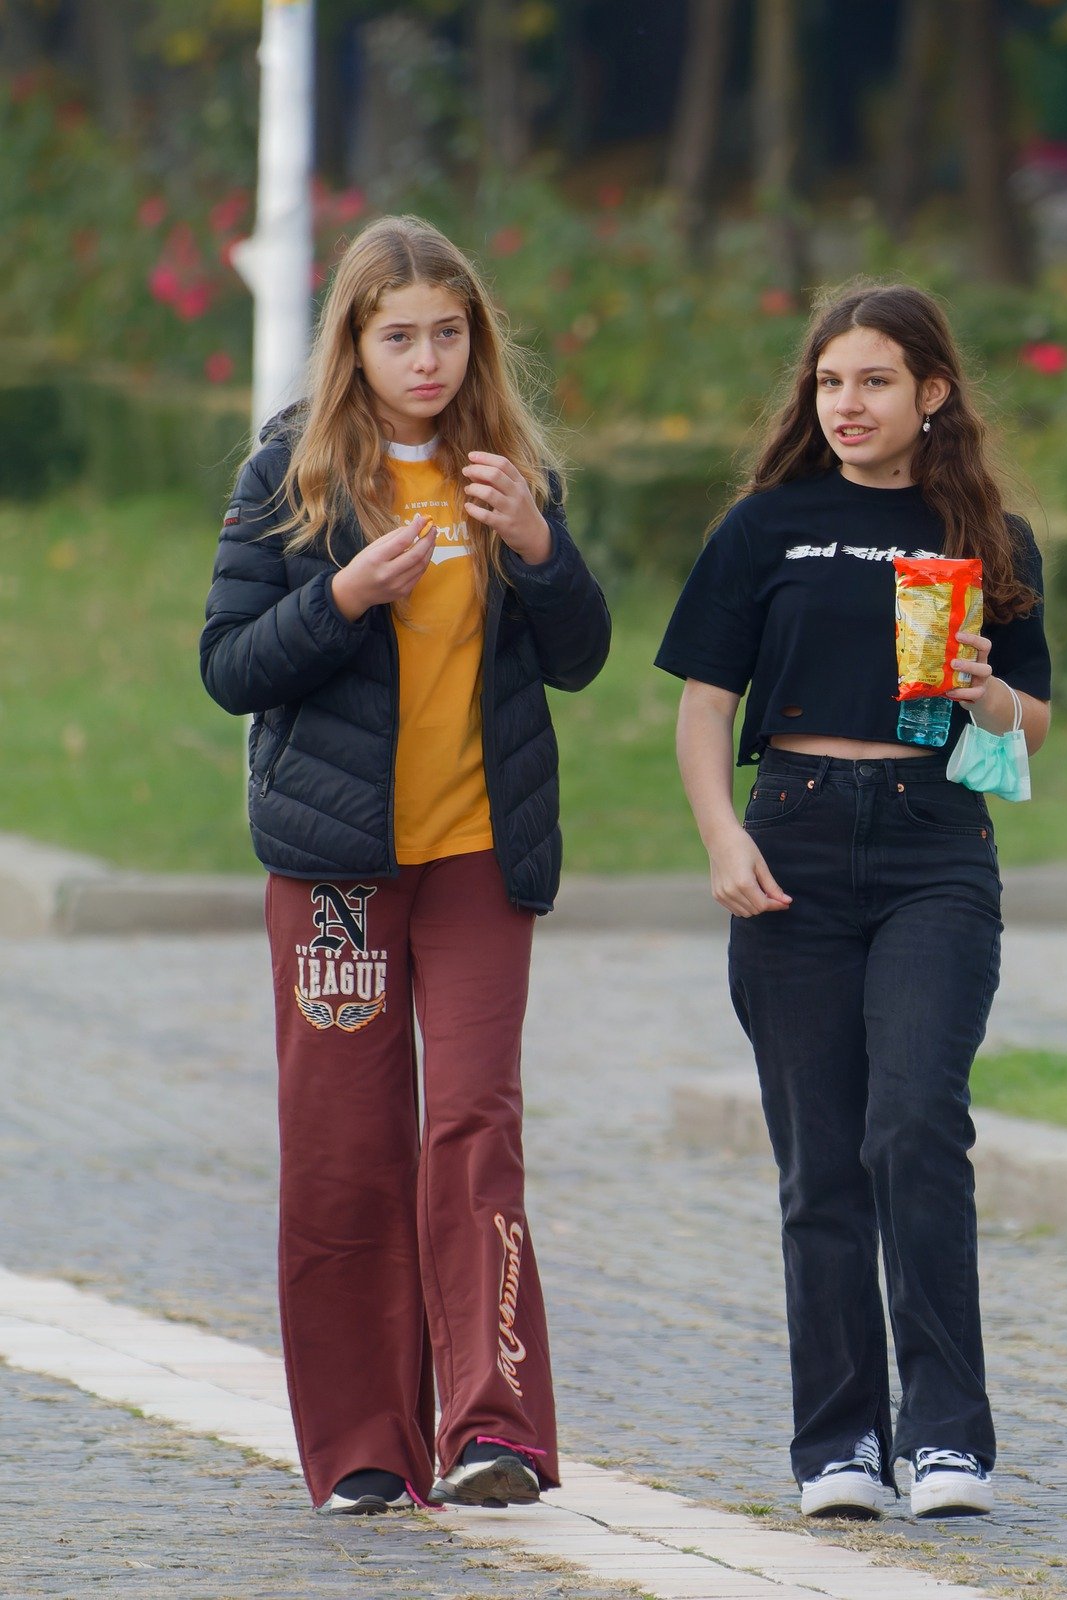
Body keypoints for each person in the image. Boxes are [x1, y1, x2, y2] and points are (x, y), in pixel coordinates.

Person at [200, 215, 610, 1516]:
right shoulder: (291, 471)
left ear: (475, 340)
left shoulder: (510, 474)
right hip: (336, 870)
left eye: (447, 334)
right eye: (399, 338)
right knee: (345, 1147)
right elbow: (228, 667)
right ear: (355, 345)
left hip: (481, 855)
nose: (427, 361)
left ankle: (495, 1430)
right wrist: (342, 598)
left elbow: (583, 655)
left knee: (473, 1122)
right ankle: (366, 1447)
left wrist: (541, 549)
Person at [656, 283, 1051, 1522]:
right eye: (830, 382)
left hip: (936, 845)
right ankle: (837, 1443)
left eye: (875, 381)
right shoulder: (765, 526)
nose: (848, 404)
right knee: (819, 1160)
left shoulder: (989, 534)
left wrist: (989, 695)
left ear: (932, 391)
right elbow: (704, 704)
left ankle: (947, 1438)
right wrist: (721, 835)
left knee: (916, 1125)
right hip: (793, 838)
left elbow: (1033, 721)